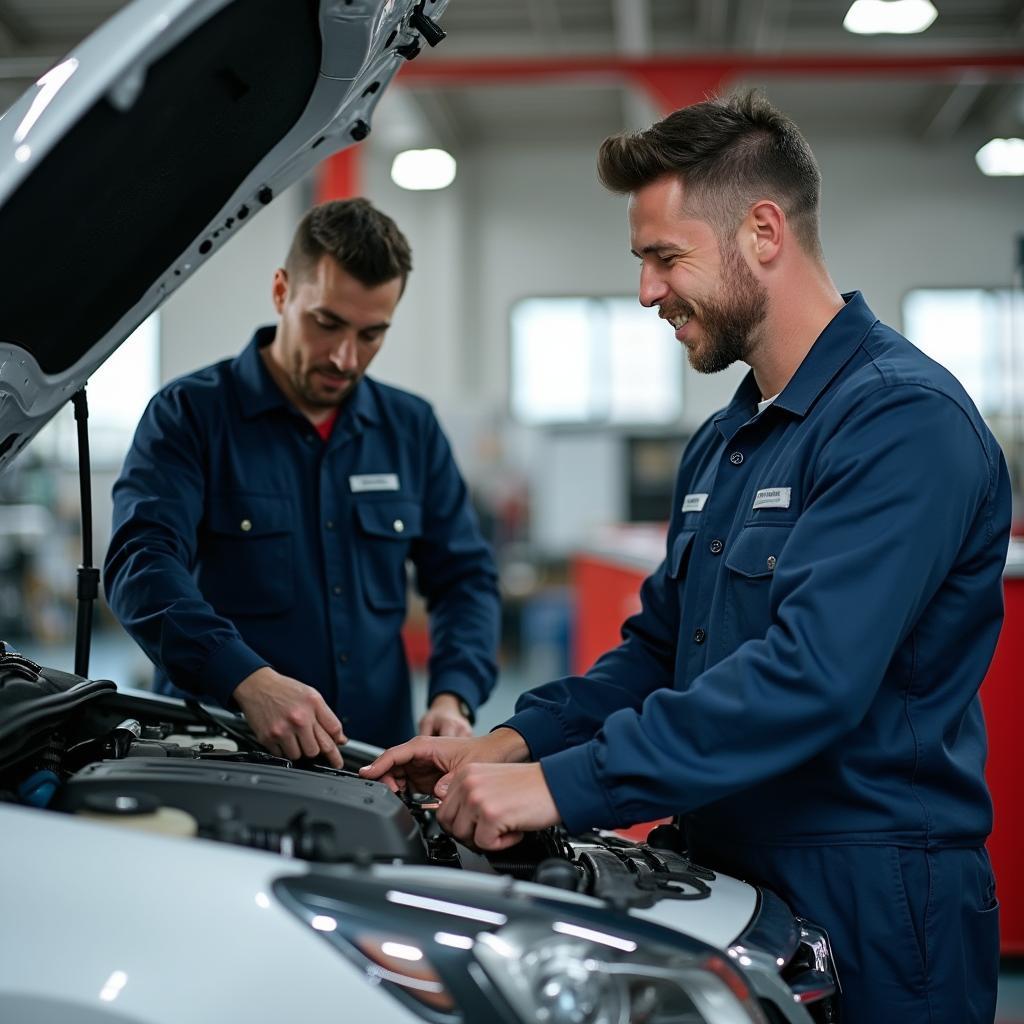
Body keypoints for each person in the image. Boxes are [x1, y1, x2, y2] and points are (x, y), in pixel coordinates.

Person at [361, 91, 1009, 1022]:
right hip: (727, 870)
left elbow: (809, 679)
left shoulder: (902, 422)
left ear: (763, 230)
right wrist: (505, 744)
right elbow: (659, 652)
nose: (647, 292)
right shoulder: (724, 444)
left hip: (875, 893)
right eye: (643, 262)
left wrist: (555, 787)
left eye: (667, 258)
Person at [105, 198, 501, 762]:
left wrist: (454, 695)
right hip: (221, 747)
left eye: (371, 335)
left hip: (372, 759)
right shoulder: (189, 415)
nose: (344, 357)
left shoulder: (409, 427)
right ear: (282, 292)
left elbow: (465, 577)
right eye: (327, 323)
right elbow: (141, 563)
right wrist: (245, 678)